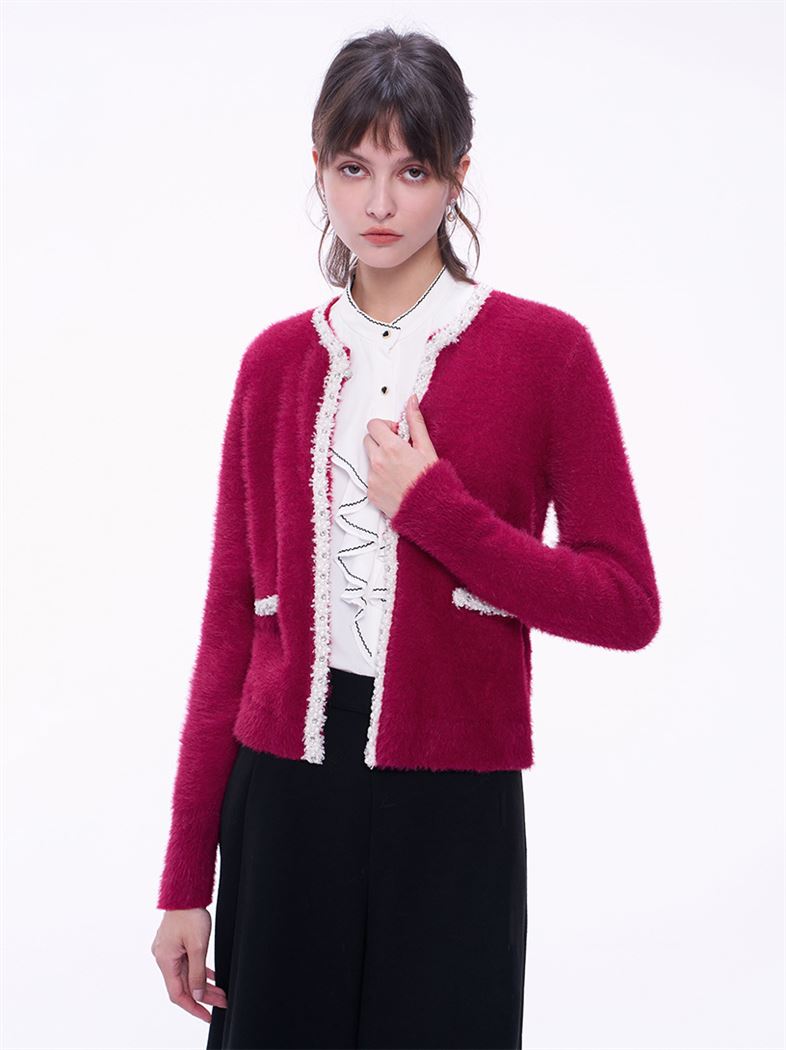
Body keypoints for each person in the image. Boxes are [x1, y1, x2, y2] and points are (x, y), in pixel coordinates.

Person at [151, 25, 660, 1050]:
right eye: (354, 168)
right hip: (283, 791)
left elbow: (625, 605)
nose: (379, 204)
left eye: (412, 171)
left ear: (458, 174)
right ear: (319, 167)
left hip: (456, 798)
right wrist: (184, 881)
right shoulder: (273, 366)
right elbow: (228, 632)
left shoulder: (546, 354)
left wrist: (435, 510)